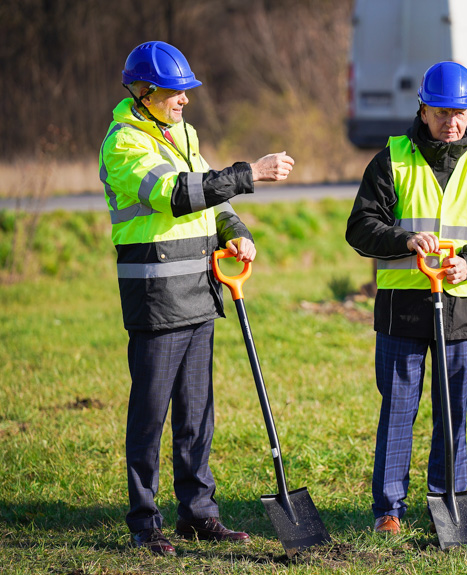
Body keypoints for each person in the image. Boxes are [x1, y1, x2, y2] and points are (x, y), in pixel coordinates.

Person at [99, 41, 296, 555]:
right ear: (144, 93)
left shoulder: (183, 133)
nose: (185, 100)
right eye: (175, 91)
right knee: (150, 414)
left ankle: (198, 514)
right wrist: (249, 172)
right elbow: (175, 194)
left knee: (196, 412)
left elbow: (212, 199)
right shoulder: (124, 144)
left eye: (187, 91)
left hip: (200, 293)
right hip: (156, 297)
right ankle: (144, 522)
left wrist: (235, 228)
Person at [345, 61, 467, 535]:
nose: (451, 122)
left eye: (460, 112)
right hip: (403, 307)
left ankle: (447, 498)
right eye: (441, 112)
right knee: (399, 407)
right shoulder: (392, 158)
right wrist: (404, 239)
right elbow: (360, 228)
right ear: (422, 111)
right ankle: (389, 510)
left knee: (453, 408)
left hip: (462, 307)